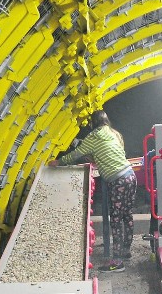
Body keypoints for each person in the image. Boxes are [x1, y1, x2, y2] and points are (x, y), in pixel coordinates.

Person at [50, 110, 135, 273]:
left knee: (116, 219)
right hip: (130, 175)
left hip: (117, 180)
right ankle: (126, 251)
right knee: (127, 215)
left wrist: (59, 162)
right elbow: (118, 152)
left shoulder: (93, 136)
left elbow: (76, 154)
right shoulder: (114, 133)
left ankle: (117, 263)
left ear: (93, 123)